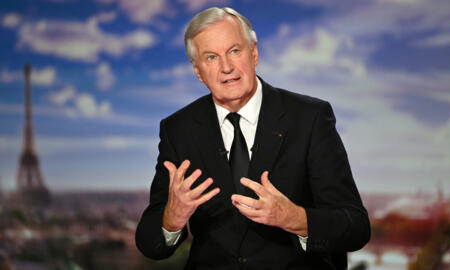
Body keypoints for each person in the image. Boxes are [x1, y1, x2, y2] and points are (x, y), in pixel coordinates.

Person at [135, 7, 370, 270]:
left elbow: (356, 227)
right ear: (198, 70)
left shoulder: (309, 118)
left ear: (254, 52)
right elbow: (149, 243)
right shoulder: (178, 129)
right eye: (211, 57)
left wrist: (295, 218)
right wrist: (172, 219)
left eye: (234, 51)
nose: (226, 67)